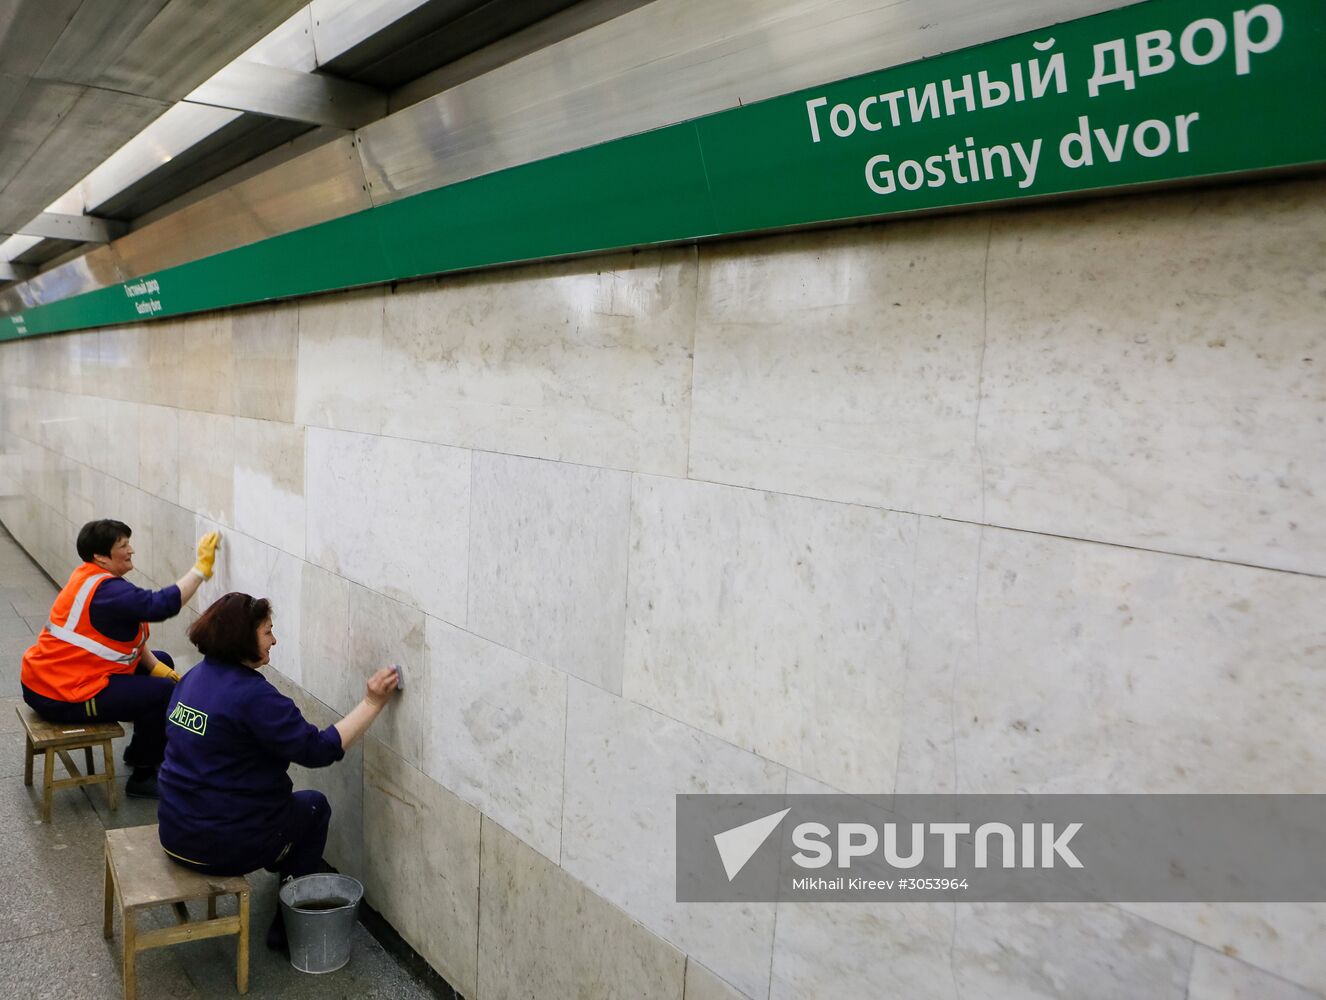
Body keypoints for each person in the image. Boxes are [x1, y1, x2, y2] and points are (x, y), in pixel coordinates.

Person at [156, 591, 400, 951]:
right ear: (244, 637)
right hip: (224, 846)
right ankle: (287, 927)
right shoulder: (255, 697)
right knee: (313, 807)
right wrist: (372, 702)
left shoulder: (193, 678)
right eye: (268, 631)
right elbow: (319, 751)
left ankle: (290, 863)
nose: (275, 640)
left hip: (175, 832)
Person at [20, 518, 221, 798]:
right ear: (101, 556)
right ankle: (142, 775)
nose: (131, 550)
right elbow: (159, 605)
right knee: (163, 694)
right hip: (59, 694)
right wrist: (200, 570)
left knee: (162, 662)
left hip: (53, 677)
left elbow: (123, 641)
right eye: (123, 545)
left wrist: (157, 666)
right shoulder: (108, 591)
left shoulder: (91, 577)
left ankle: (140, 750)